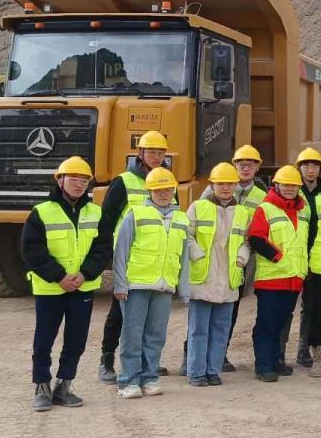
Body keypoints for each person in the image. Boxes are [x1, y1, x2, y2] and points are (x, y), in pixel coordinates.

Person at [22, 156, 112, 411]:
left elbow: (102, 248)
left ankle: (65, 385)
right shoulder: (41, 212)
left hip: (82, 287)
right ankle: (42, 385)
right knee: (44, 339)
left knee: (76, 339)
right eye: (73, 179)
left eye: (84, 180)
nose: (79, 184)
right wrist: (59, 276)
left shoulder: (96, 212)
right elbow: (31, 250)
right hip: (51, 288)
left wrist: (85, 274)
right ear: (59, 180)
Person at [96, 130, 170, 383]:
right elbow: (106, 220)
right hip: (129, 258)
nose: (157, 156)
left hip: (156, 259)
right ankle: (106, 359)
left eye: (161, 152)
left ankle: (145, 362)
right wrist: (107, 256)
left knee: (150, 315)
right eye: (152, 152)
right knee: (120, 310)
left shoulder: (167, 180)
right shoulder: (124, 182)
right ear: (140, 153)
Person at [112, 167, 191, 398]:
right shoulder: (135, 215)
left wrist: (184, 290)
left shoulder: (181, 219)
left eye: (167, 188)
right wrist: (119, 284)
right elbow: (121, 252)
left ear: (174, 189)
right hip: (136, 285)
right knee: (132, 334)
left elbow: (184, 257)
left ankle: (149, 378)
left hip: (164, 286)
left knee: (156, 335)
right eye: (158, 189)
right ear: (150, 190)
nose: (163, 193)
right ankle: (128, 380)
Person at [185, 163, 251, 386]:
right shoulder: (198, 207)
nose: (225, 187)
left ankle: (213, 371)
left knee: (221, 329)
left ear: (235, 185)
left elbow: (246, 241)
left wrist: (242, 257)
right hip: (204, 276)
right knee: (199, 330)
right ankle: (196, 372)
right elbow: (187, 235)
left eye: (230, 183)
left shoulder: (242, 212)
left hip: (229, 279)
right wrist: (198, 255)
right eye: (220, 183)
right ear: (212, 185)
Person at [247, 165, 311, 382]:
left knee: (281, 323)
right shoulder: (265, 209)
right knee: (266, 323)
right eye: (286, 185)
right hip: (271, 279)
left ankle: (275, 360)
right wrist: (278, 257)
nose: (290, 188)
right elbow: (255, 238)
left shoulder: (302, 212)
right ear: (277, 185)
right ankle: (263, 366)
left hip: (293, 278)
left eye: (294, 185)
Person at [220, 144, 267, 371]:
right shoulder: (217, 187)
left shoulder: (262, 197)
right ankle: (192, 353)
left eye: (251, 164)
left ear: (258, 167)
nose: (245, 167)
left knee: (232, 307)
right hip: (216, 259)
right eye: (241, 163)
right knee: (206, 307)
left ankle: (221, 353)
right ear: (234, 164)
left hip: (241, 260)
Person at [289, 147, 321, 369]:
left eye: (314, 166)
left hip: (317, 257)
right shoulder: (292, 189)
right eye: (306, 165)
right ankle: (281, 350)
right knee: (287, 307)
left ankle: (304, 350)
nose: (310, 170)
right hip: (294, 256)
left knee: (311, 306)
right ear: (299, 168)